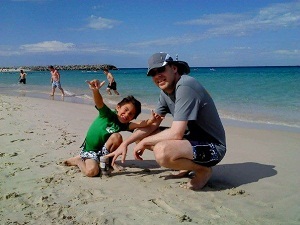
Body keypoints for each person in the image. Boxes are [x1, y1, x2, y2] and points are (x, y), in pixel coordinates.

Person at [107, 52, 226, 190]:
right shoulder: (165, 93)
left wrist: (145, 142)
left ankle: (203, 170)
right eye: (153, 73)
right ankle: (185, 166)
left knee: (162, 151)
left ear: (174, 68)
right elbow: (153, 125)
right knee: (142, 135)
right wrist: (126, 143)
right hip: (191, 140)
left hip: (213, 147)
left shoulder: (186, 85)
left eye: (161, 70)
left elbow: (176, 134)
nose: (157, 76)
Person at [63, 79, 161, 177]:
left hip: (103, 152)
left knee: (117, 136)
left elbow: (139, 124)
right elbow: (99, 102)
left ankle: (110, 161)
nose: (126, 114)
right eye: (125, 110)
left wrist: (151, 121)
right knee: (92, 172)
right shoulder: (107, 114)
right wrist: (95, 91)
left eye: (131, 114)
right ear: (118, 107)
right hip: (90, 152)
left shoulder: (124, 125)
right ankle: (79, 160)